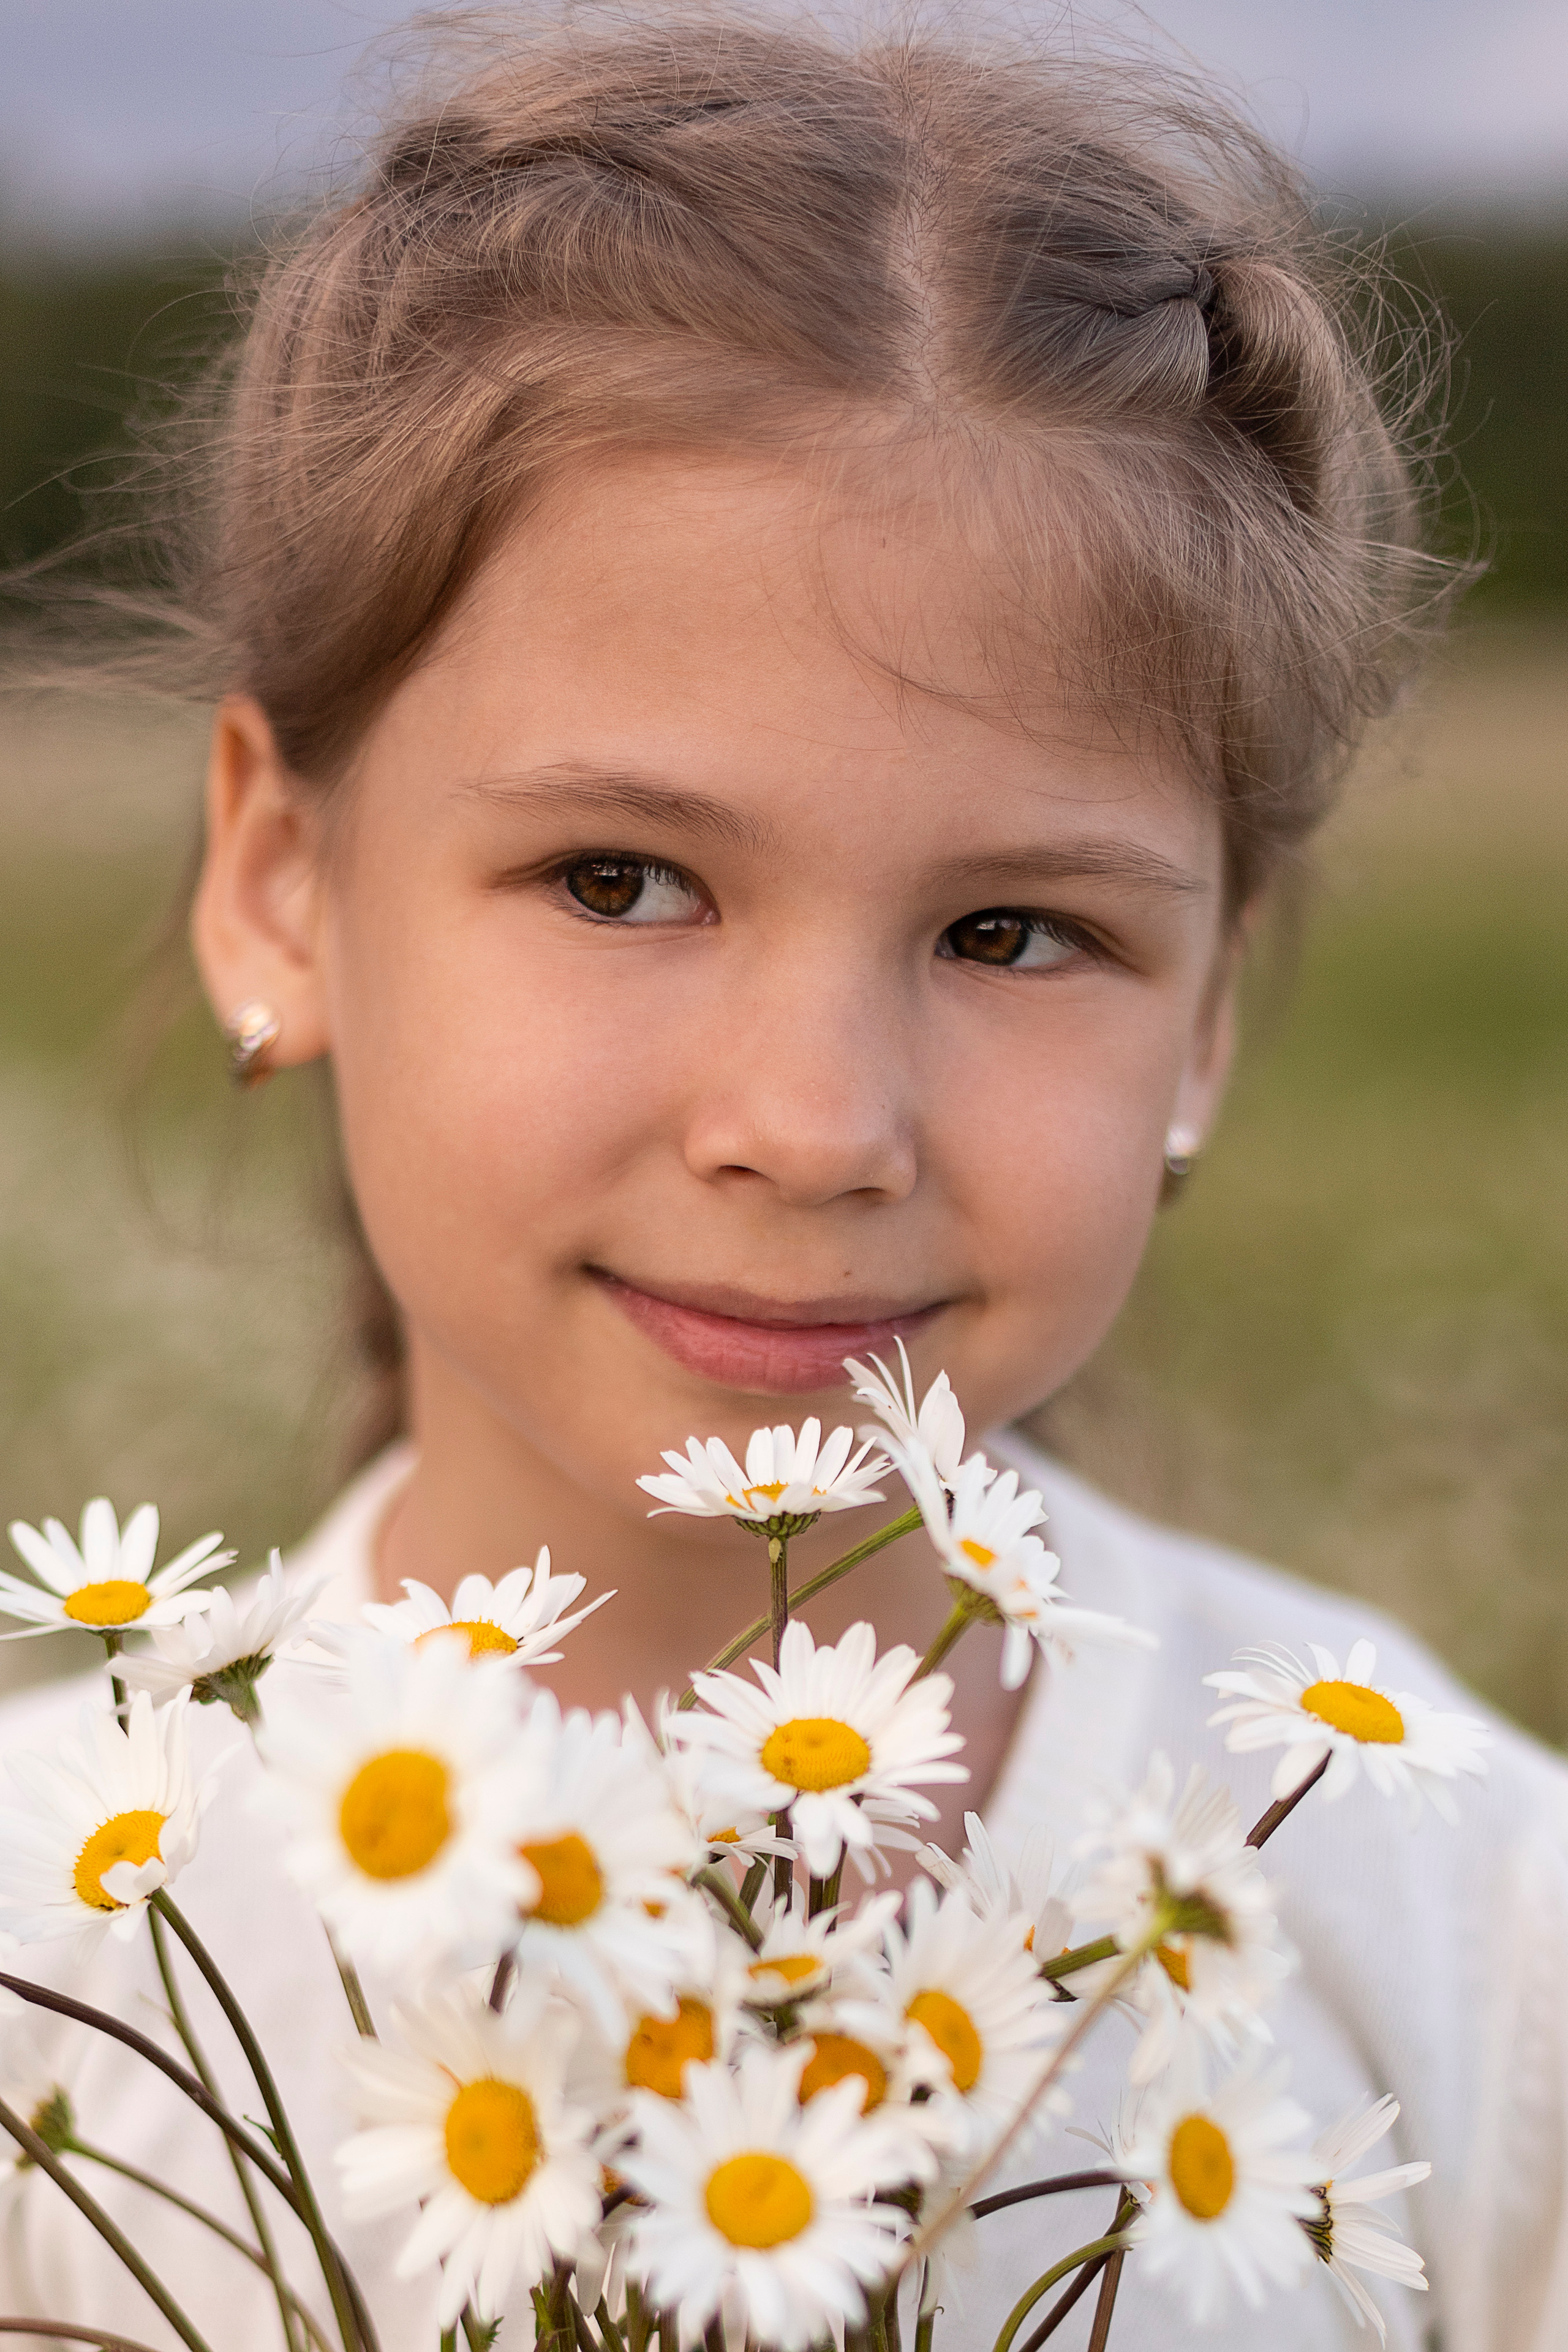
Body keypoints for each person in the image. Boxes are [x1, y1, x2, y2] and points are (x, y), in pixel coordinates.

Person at [4, 9, 1566, 2348]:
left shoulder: (1465, 1922)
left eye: (1014, 931)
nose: (817, 1123)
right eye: (623, 881)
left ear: (1213, 1013)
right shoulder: (66, 1970)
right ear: (281, 886)